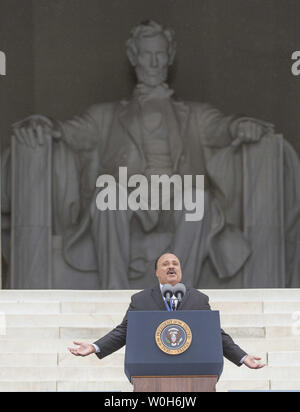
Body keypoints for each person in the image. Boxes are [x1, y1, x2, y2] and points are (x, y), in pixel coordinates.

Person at [9, 20, 275, 289]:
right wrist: (45, 123)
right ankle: (114, 291)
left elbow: (223, 127)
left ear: (170, 57)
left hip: (177, 194)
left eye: (160, 54)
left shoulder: (196, 115)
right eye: (147, 54)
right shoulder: (106, 115)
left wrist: (241, 124)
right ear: (133, 57)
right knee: (108, 198)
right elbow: (71, 131)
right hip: (130, 194)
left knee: (198, 200)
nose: (154, 62)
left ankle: (177, 292)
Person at [68, 252, 265, 370]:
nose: (171, 266)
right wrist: (94, 347)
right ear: (156, 272)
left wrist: (243, 357)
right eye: (165, 264)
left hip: (193, 371)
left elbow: (216, 335)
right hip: (151, 371)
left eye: (175, 264)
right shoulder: (141, 300)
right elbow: (123, 332)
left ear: (180, 270)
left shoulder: (198, 299)